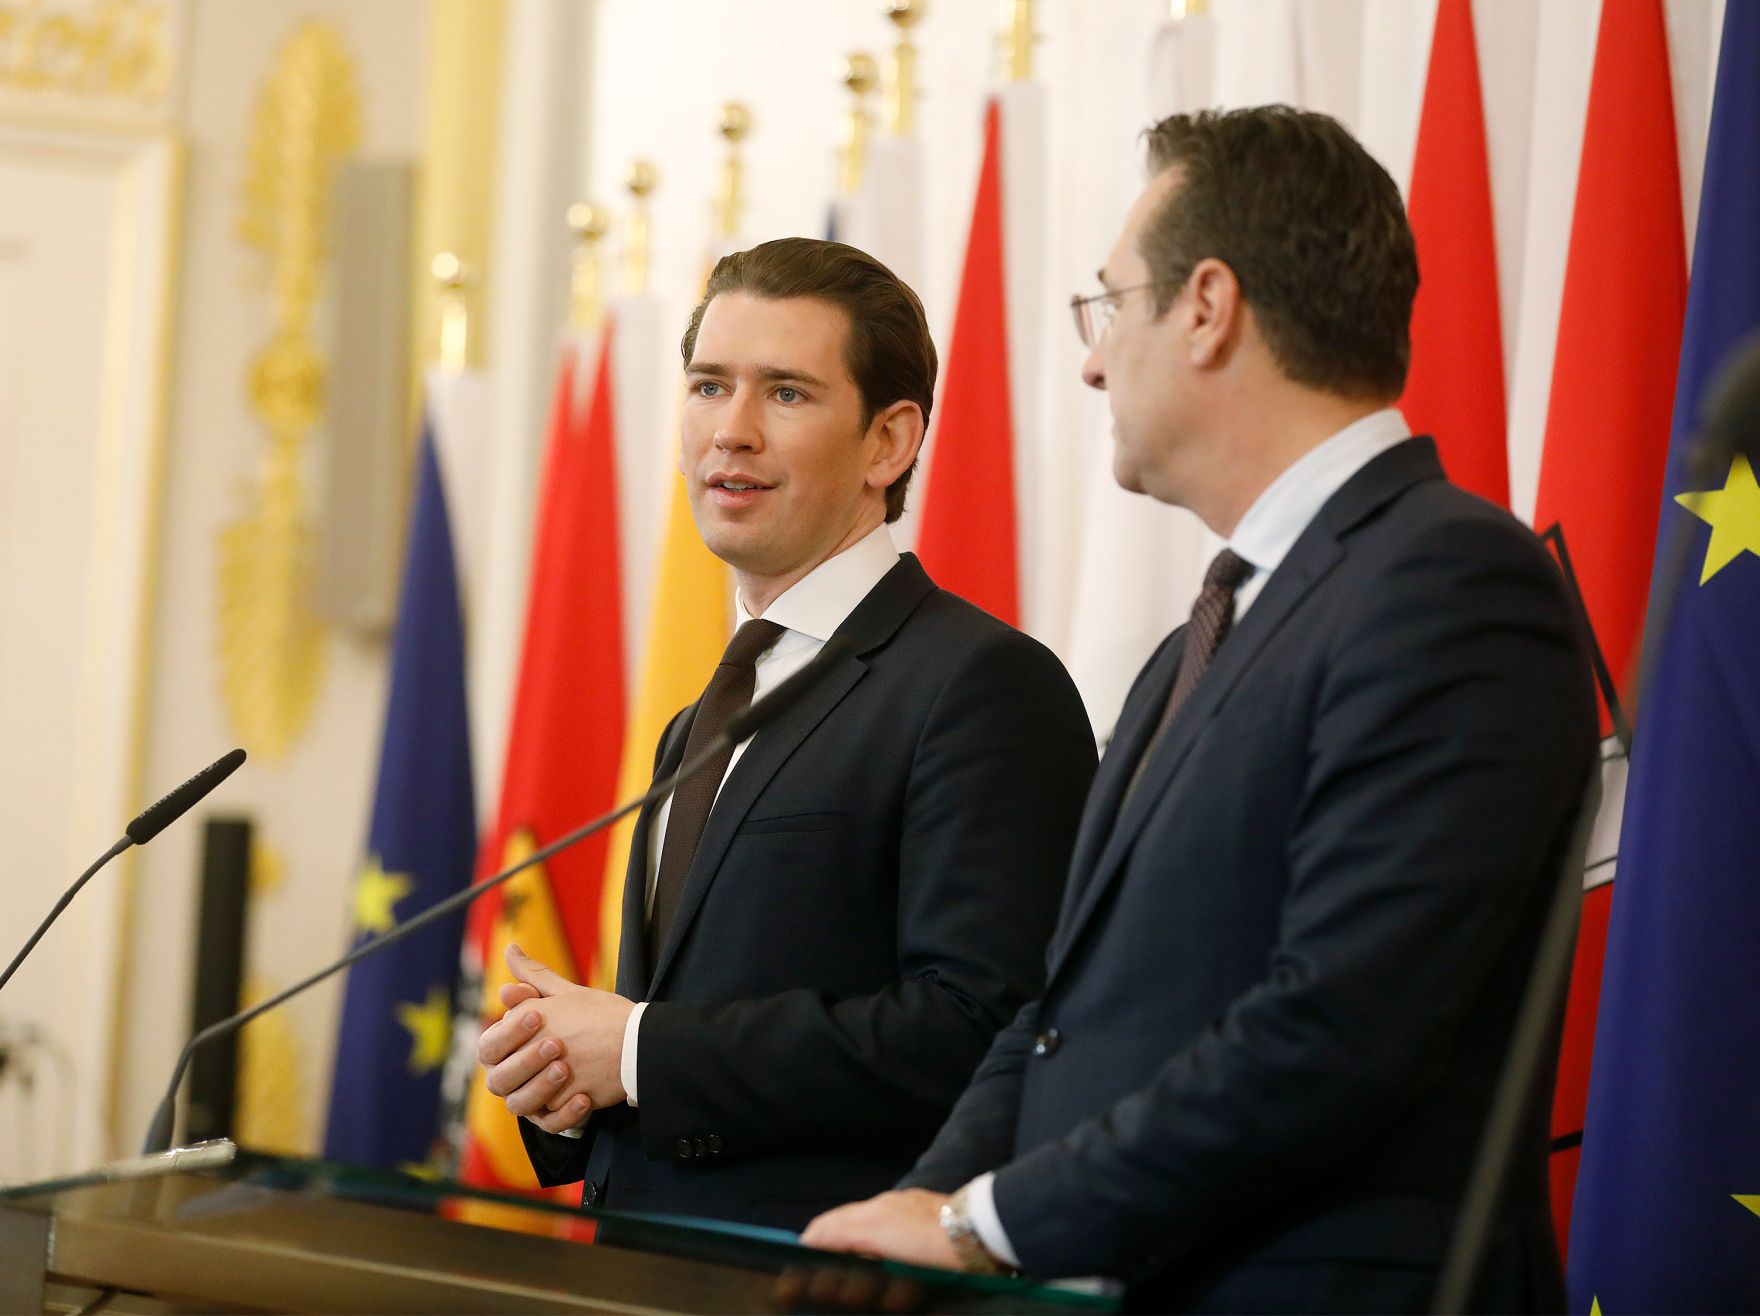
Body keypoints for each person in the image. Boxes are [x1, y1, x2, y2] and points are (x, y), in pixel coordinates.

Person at [801, 107, 1597, 1313]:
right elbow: (1060, 1018)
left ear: (1207, 305)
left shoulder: (1451, 584)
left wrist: (982, 1226)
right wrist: (901, 1221)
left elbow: (1337, 1025)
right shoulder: (1197, 638)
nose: (1090, 359)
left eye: (1108, 304)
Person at [474, 237, 1097, 1233]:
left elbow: (981, 1027)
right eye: (708, 385)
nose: (730, 430)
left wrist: (638, 1049)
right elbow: (687, 1029)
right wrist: (576, 1080)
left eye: (786, 394)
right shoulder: (698, 719)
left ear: (889, 442)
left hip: (833, 1280)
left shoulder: (979, 685)